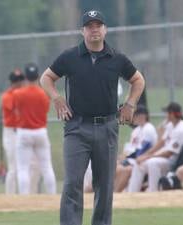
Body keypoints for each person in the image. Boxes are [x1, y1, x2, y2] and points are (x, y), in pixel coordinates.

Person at [40, 10, 145, 225]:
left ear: (105, 30)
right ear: (82, 31)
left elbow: (138, 80)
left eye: (98, 25)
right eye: (89, 26)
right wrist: (57, 98)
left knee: (105, 185)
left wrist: (130, 103)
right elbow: (47, 77)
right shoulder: (70, 56)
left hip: (107, 126)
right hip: (77, 127)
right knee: (72, 183)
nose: (94, 29)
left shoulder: (117, 58)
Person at [127, 102, 183, 192]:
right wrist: (144, 155)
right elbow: (161, 143)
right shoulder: (170, 125)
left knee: (152, 163)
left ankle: (154, 192)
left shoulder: (181, 129)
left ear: (172, 114)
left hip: (173, 160)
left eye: (167, 113)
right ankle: (132, 193)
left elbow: (169, 153)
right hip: (163, 157)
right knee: (139, 163)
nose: (166, 115)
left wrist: (148, 157)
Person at [13, 63, 56, 195]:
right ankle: (52, 196)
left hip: (24, 131)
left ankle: (24, 199)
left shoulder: (18, 93)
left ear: (25, 77)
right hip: (40, 131)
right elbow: (46, 110)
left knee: (23, 168)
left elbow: (16, 111)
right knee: (46, 167)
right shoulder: (44, 94)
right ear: (38, 76)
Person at [114, 106, 157, 192]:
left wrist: (125, 159)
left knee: (124, 169)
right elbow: (130, 148)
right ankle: (113, 193)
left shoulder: (148, 128)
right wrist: (122, 158)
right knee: (115, 167)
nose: (133, 117)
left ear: (143, 116)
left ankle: (116, 193)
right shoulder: (136, 130)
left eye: (135, 115)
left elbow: (142, 150)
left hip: (143, 158)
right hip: (133, 159)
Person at [1, 68, 25, 194]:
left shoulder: (24, 94)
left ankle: (27, 195)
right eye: (16, 81)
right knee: (14, 167)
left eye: (21, 80)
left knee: (28, 166)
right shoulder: (7, 96)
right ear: (11, 82)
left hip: (23, 131)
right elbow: (16, 109)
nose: (19, 83)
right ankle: (10, 196)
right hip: (11, 133)